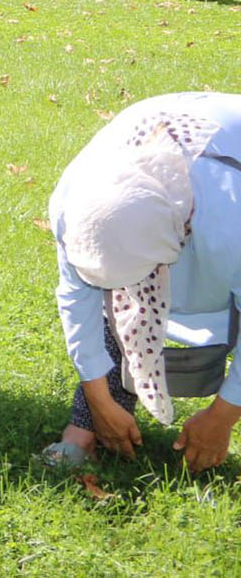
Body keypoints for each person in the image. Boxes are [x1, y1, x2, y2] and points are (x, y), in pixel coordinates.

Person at [41, 92, 241, 473]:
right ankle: (83, 428)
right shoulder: (76, 203)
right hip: (162, 136)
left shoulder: (231, 224)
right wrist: (98, 402)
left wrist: (222, 416)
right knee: (111, 310)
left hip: (229, 156)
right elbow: (78, 301)